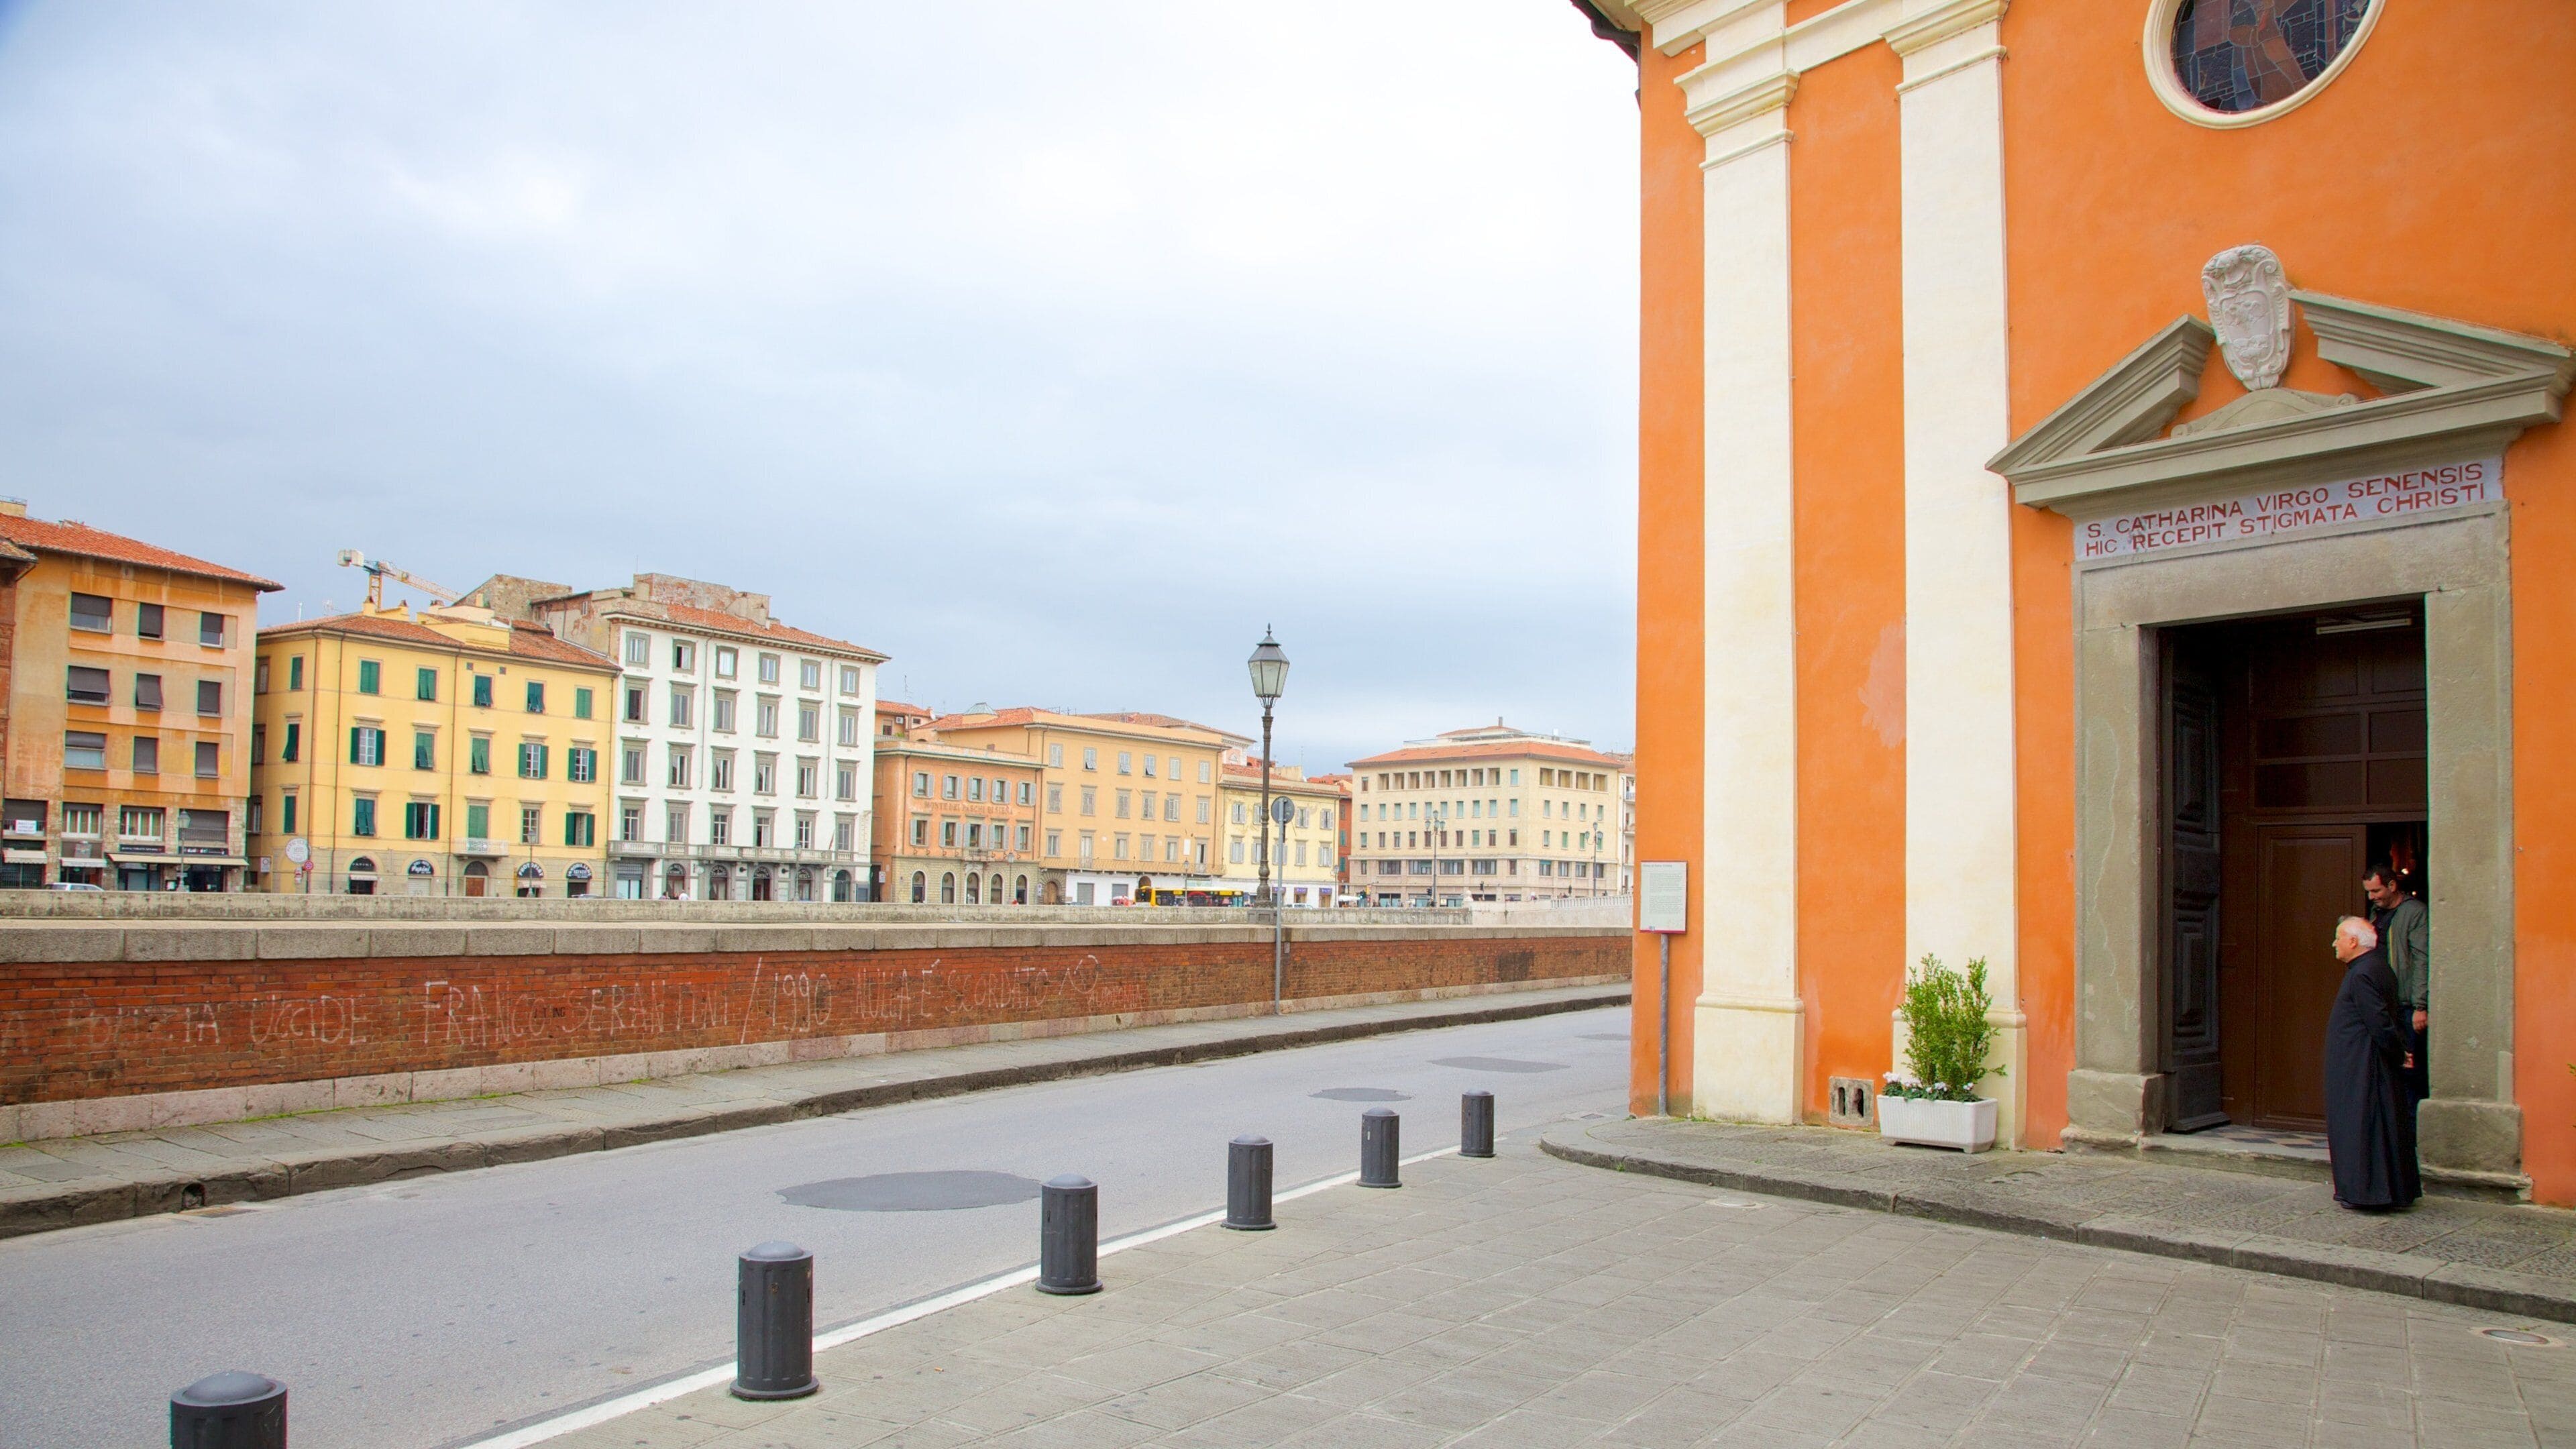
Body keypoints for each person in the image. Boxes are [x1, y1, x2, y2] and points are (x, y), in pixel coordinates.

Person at [2322, 914, 2420, 1212]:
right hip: (2366, 1061)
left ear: (2353, 942)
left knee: (2364, 1125)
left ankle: (2368, 1191)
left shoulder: (2363, 973)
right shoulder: (2376, 968)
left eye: (2339, 937)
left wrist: (2397, 1050)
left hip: (2362, 1064)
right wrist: (2401, 1049)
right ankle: (2382, 1190)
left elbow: (2379, 1021)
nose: (2334, 943)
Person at [2365, 865, 2430, 1102]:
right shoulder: (2376, 913)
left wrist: (2420, 1006)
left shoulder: (2414, 913)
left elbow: (2422, 958)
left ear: (2392, 886)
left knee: (2410, 1073)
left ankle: (2411, 1135)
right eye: (2369, 892)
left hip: (2405, 1006)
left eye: (2376, 890)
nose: (2371, 897)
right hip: (2383, 1003)